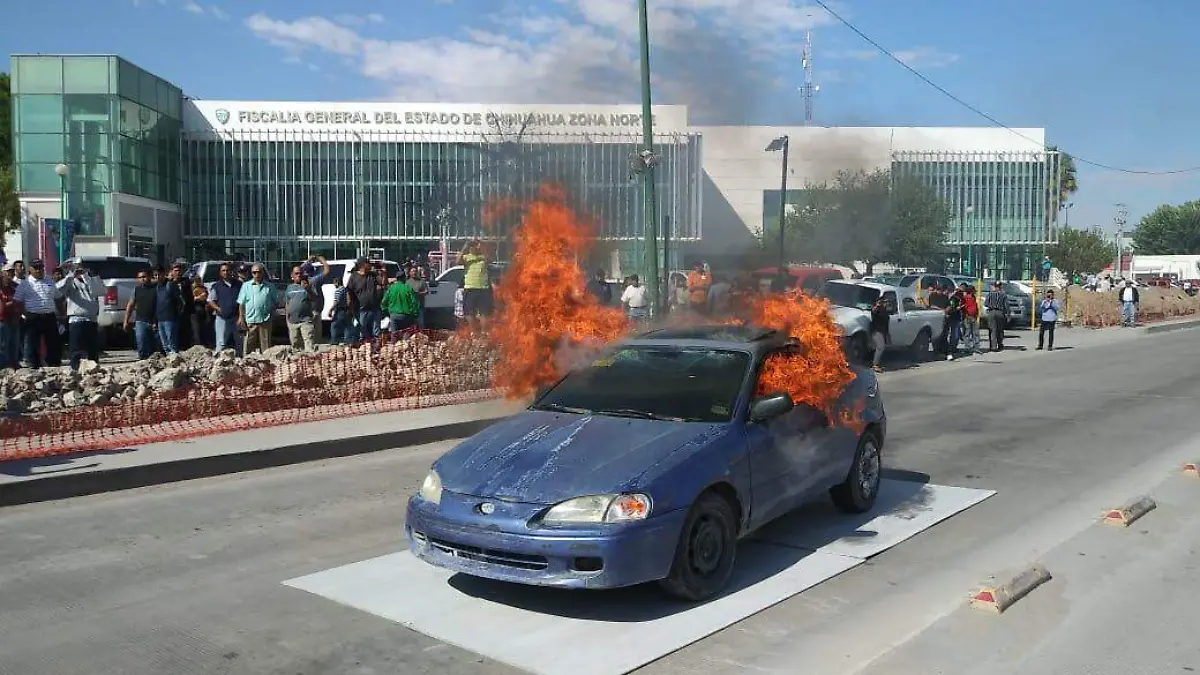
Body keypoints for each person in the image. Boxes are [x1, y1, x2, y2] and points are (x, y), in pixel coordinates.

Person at [14, 260, 64, 368]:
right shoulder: (25, 284)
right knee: (31, 342)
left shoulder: (49, 281)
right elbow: (17, 301)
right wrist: (25, 313)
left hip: (49, 315)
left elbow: (58, 298)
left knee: (53, 342)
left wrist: (63, 314)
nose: (38, 270)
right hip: (33, 316)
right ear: (30, 269)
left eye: (40, 267)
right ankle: (32, 364)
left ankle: (54, 363)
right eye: (35, 268)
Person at [57, 265, 105, 370]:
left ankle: (93, 371)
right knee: (76, 349)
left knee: (92, 349)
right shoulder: (70, 282)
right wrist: (71, 276)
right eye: (78, 270)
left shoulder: (91, 281)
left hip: (91, 319)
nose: (80, 272)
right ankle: (75, 369)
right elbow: (58, 290)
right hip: (76, 319)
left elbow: (101, 291)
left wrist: (88, 277)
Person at [236, 263, 279, 354]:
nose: (256, 275)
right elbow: (241, 303)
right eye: (254, 272)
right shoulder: (246, 286)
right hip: (251, 321)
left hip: (265, 321)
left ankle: (267, 366)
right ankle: (248, 366)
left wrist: (271, 314)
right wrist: (241, 318)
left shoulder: (270, 286)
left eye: (258, 272)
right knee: (248, 348)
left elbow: (276, 302)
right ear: (251, 274)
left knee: (266, 349)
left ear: (262, 273)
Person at [123, 268, 158, 360]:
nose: (142, 279)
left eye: (144, 276)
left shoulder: (156, 288)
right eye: (140, 277)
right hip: (140, 321)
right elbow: (130, 305)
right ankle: (142, 361)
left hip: (154, 321)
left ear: (149, 277)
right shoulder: (136, 290)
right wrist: (126, 321)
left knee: (154, 347)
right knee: (141, 344)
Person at [457, 240, 491, 330]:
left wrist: (482, 246)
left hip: (483, 287)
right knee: (468, 312)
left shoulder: (484, 257)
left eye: (476, 245)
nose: (474, 247)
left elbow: (490, 259)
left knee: (484, 312)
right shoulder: (466, 257)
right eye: (473, 246)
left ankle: (483, 333)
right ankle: (474, 332)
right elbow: (457, 261)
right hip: (469, 287)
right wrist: (466, 245)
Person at [869, 296, 891, 373]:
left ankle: (876, 363)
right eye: (885, 302)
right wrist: (877, 305)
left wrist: (887, 334)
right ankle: (875, 365)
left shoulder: (885, 311)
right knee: (880, 347)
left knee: (881, 347)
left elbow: (886, 323)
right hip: (876, 331)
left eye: (887, 302)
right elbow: (873, 311)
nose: (887, 303)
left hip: (883, 331)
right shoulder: (877, 309)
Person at [984, 281, 1007, 351]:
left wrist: (991, 305)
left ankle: (993, 346)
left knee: (992, 329)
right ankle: (1000, 344)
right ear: (1001, 286)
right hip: (1000, 312)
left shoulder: (990, 294)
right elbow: (1006, 305)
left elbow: (986, 304)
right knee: (1000, 330)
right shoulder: (1003, 295)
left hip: (991, 312)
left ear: (994, 286)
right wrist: (1008, 315)